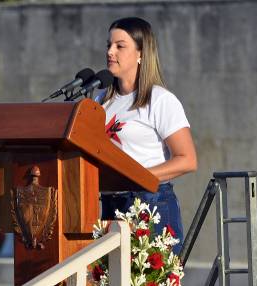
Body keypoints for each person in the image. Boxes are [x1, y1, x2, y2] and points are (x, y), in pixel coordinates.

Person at [96, 17, 197, 254]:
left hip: (150, 204)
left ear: (141, 54)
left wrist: (136, 177)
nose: (110, 52)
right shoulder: (100, 100)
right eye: (109, 45)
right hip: (111, 206)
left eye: (120, 46)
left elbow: (187, 159)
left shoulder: (160, 100)